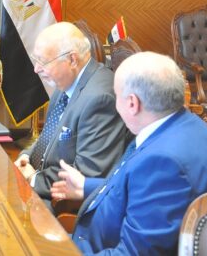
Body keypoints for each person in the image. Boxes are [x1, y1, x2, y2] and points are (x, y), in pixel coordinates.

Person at [51, 52, 207, 255]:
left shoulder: (163, 163)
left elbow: (134, 253)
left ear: (132, 103)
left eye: (116, 95)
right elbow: (144, 192)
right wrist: (87, 186)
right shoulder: (186, 125)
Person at [14, 22, 128, 203]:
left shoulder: (100, 100)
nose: (36, 69)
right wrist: (25, 157)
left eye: (43, 62)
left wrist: (32, 179)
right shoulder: (66, 81)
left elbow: (86, 174)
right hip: (43, 180)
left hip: (62, 202)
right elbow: (47, 138)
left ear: (72, 60)